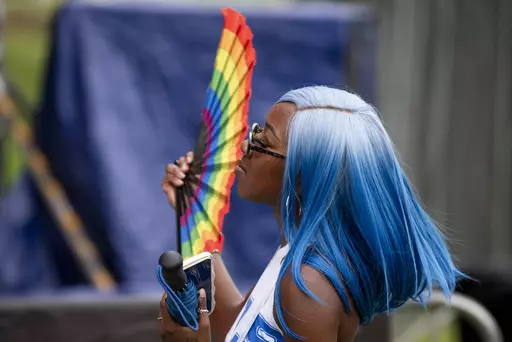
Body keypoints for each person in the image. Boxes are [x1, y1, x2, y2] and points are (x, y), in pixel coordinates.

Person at [159, 86, 464, 342]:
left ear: (302, 175)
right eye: (257, 131)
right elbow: (236, 326)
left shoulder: (307, 285)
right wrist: (193, 210)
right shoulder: (292, 258)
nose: (245, 145)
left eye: (263, 142)